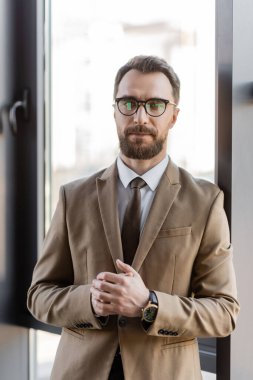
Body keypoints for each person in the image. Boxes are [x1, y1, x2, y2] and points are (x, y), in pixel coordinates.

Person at [27, 55, 239, 380]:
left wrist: (150, 304)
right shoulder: (73, 197)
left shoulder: (205, 201)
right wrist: (90, 301)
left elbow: (224, 312)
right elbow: (39, 296)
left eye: (155, 104)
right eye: (128, 103)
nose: (140, 116)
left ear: (174, 115)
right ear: (114, 111)